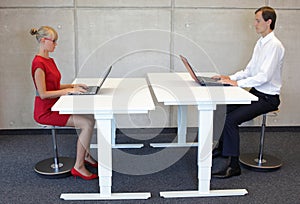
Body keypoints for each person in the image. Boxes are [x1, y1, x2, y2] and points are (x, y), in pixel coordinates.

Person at [212, 6, 285, 178]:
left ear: (269, 22)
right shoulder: (260, 43)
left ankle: (233, 166)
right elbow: (249, 70)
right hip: (256, 92)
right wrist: (228, 77)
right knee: (222, 110)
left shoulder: (274, 46)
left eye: (258, 20)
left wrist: (236, 83)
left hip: (269, 98)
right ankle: (223, 150)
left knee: (231, 120)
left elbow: (264, 77)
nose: (254, 24)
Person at [30, 26, 98, 180]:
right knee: (86, 124)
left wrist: (73, 86)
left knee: (90, 118)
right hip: (45, 111)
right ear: (43, 41)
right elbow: (43, 93)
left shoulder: (49, 60)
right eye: (54, 41)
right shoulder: (38, 64)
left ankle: (86, 156)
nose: (56, 44)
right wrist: (67, 92)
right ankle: (78, 167)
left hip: (57, 106)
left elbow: (53, 86)